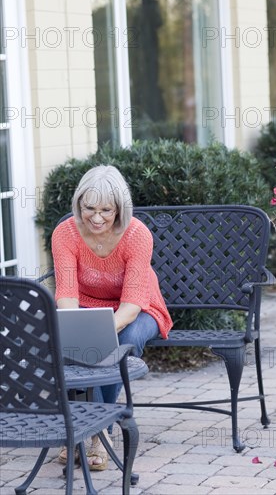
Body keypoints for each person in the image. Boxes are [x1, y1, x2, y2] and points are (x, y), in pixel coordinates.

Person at [52, 165, 173, 470]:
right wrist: (78, 330)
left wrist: (96, 333)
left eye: (106, 210)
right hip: (86, 306)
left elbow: (131, 305)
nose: (96, 217)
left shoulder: (136, 234)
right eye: (88, 208)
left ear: (120, 208)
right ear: (79, 204)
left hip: (139, 306)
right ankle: (80, 427)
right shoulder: (65, 233)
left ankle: (96, 432)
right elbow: (66, 293)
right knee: (66, 340)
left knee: (125, 338)